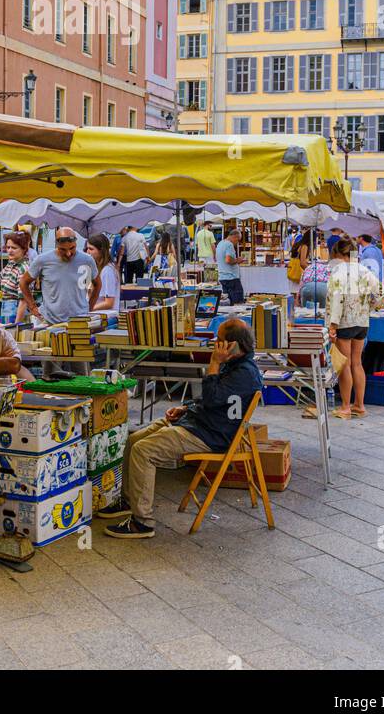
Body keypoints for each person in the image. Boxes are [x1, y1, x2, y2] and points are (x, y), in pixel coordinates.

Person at [99, 319, 263, 539]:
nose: (215, 344)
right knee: (133, 440)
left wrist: (214, 363)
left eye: (219, 340)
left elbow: (213, 397)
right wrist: (185, 407)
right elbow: (214, 399)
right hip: (197, 422)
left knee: (143, 451)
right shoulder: (235, 364)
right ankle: (128, 501)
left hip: (207, 434)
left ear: (232, 345)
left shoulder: (244, 373)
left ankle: (142, 522)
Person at [325, 238, 384, 418]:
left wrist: (332, 326)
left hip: (344, 322)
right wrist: (370, 306)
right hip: (362, 322)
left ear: (338, 254)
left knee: (345, 365)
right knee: (357, 363)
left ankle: (345, 407)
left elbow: (337, 301)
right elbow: (381, 292)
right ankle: (359, 405)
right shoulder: (364, 270)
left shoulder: (338, 272)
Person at [19, 227, 100, 325]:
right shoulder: (42, 260)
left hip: (80, 321)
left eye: (72, 248)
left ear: (76, 243)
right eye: (63, 249)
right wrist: (32, 306)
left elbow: (98, 284)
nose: (68, 253)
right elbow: (23, 282)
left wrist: (89, 308)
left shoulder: (87, 260)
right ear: (56, 245)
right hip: (50, 321)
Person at [0, 231, 31, 312]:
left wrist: (16, 324)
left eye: (14, 248)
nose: (10, 251)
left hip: (15, 309)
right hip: (6, 308)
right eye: (8, 247)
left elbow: (24, 301)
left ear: (23, 249)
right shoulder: (10, 264)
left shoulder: (23, 269)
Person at [87, 233, 121, 312]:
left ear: (101, 251)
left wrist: (89, 309)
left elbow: (109, 303)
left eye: (91, 249)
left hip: (105, 318)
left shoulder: (107, 270)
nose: (87, 252)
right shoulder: (99, 268)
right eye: (87, 248)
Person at [215, 226, 244, 304]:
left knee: (229, 302)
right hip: (231, 278)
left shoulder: (220, 243)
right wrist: (238, 260)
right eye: (238, 240)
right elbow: (228, 260)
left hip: (223, 277)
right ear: (235, 237)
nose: (237, 242)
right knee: (238, 303)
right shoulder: (229, 245)